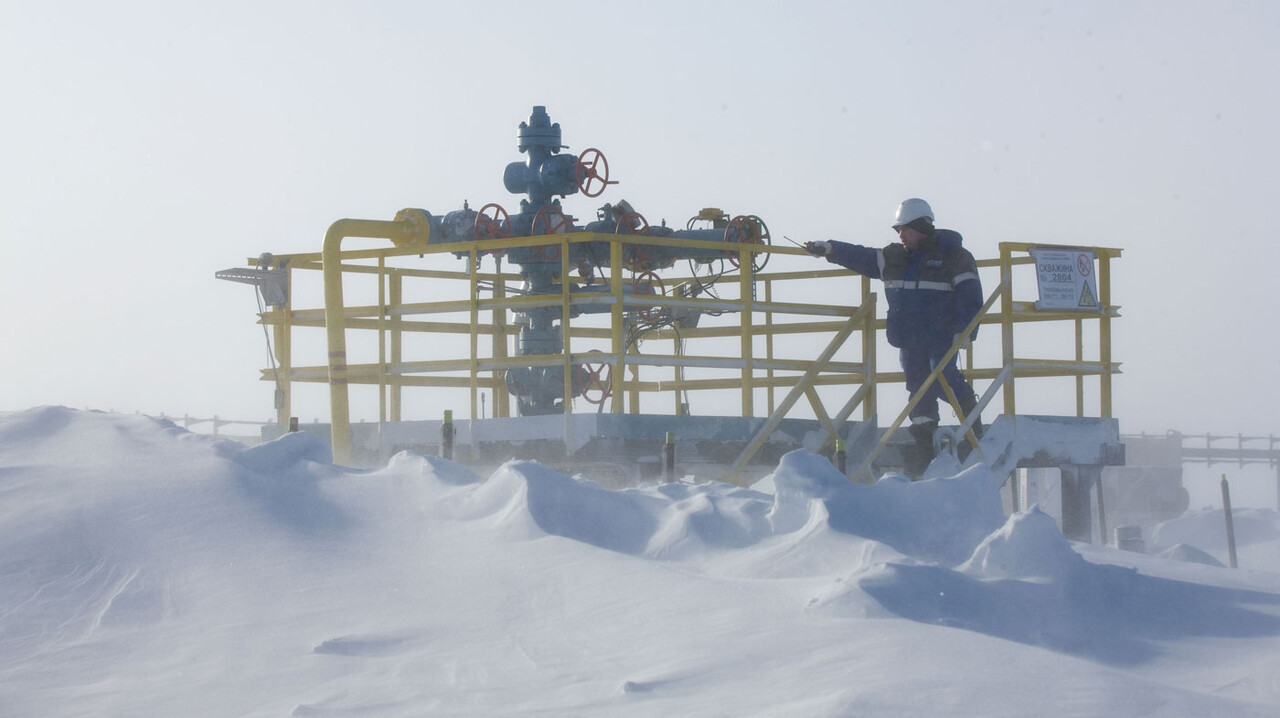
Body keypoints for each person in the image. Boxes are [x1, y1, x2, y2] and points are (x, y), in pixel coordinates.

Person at [805, 198, 982, 478]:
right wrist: (829, 249)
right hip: (909, 339)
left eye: (905, 229)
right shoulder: (894, 258)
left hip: (940, 337)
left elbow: (971, 297)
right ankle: (925, 443)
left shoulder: (954, 256)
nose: (900, 235)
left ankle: (973, 425)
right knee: (916, 387)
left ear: (921, 227)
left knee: (943, 377)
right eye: (898, 230)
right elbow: (861, 257)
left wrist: (965, 331)